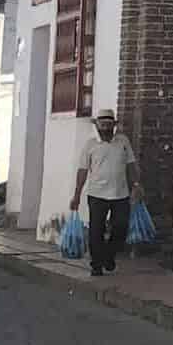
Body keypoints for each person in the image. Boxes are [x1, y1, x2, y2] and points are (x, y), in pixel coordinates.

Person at [70, 110, 144, 278]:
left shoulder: (123, 142)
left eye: (109, 125)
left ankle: (109, 255)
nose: (105, 128)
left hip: (120, 194)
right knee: (96, 230)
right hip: (97, 195)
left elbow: (131, 165)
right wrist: (77, 195)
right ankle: (96, 265)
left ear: (114, 126)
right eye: (102, 125)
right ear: (97, 126)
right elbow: (82, 171)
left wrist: (137, 184)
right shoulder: (90, 145)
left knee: (121, 228)